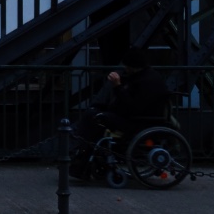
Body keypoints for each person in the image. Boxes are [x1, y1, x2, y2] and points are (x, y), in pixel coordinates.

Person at [70, 47, 170, 178]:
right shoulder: (147, 77)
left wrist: (118, 86)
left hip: (138, 122)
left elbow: (132, 106)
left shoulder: (144, 81)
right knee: (95, 116)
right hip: (139, 119)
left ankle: (82, 159)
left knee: (95, 117)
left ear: (133, 66)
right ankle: (84, 160)